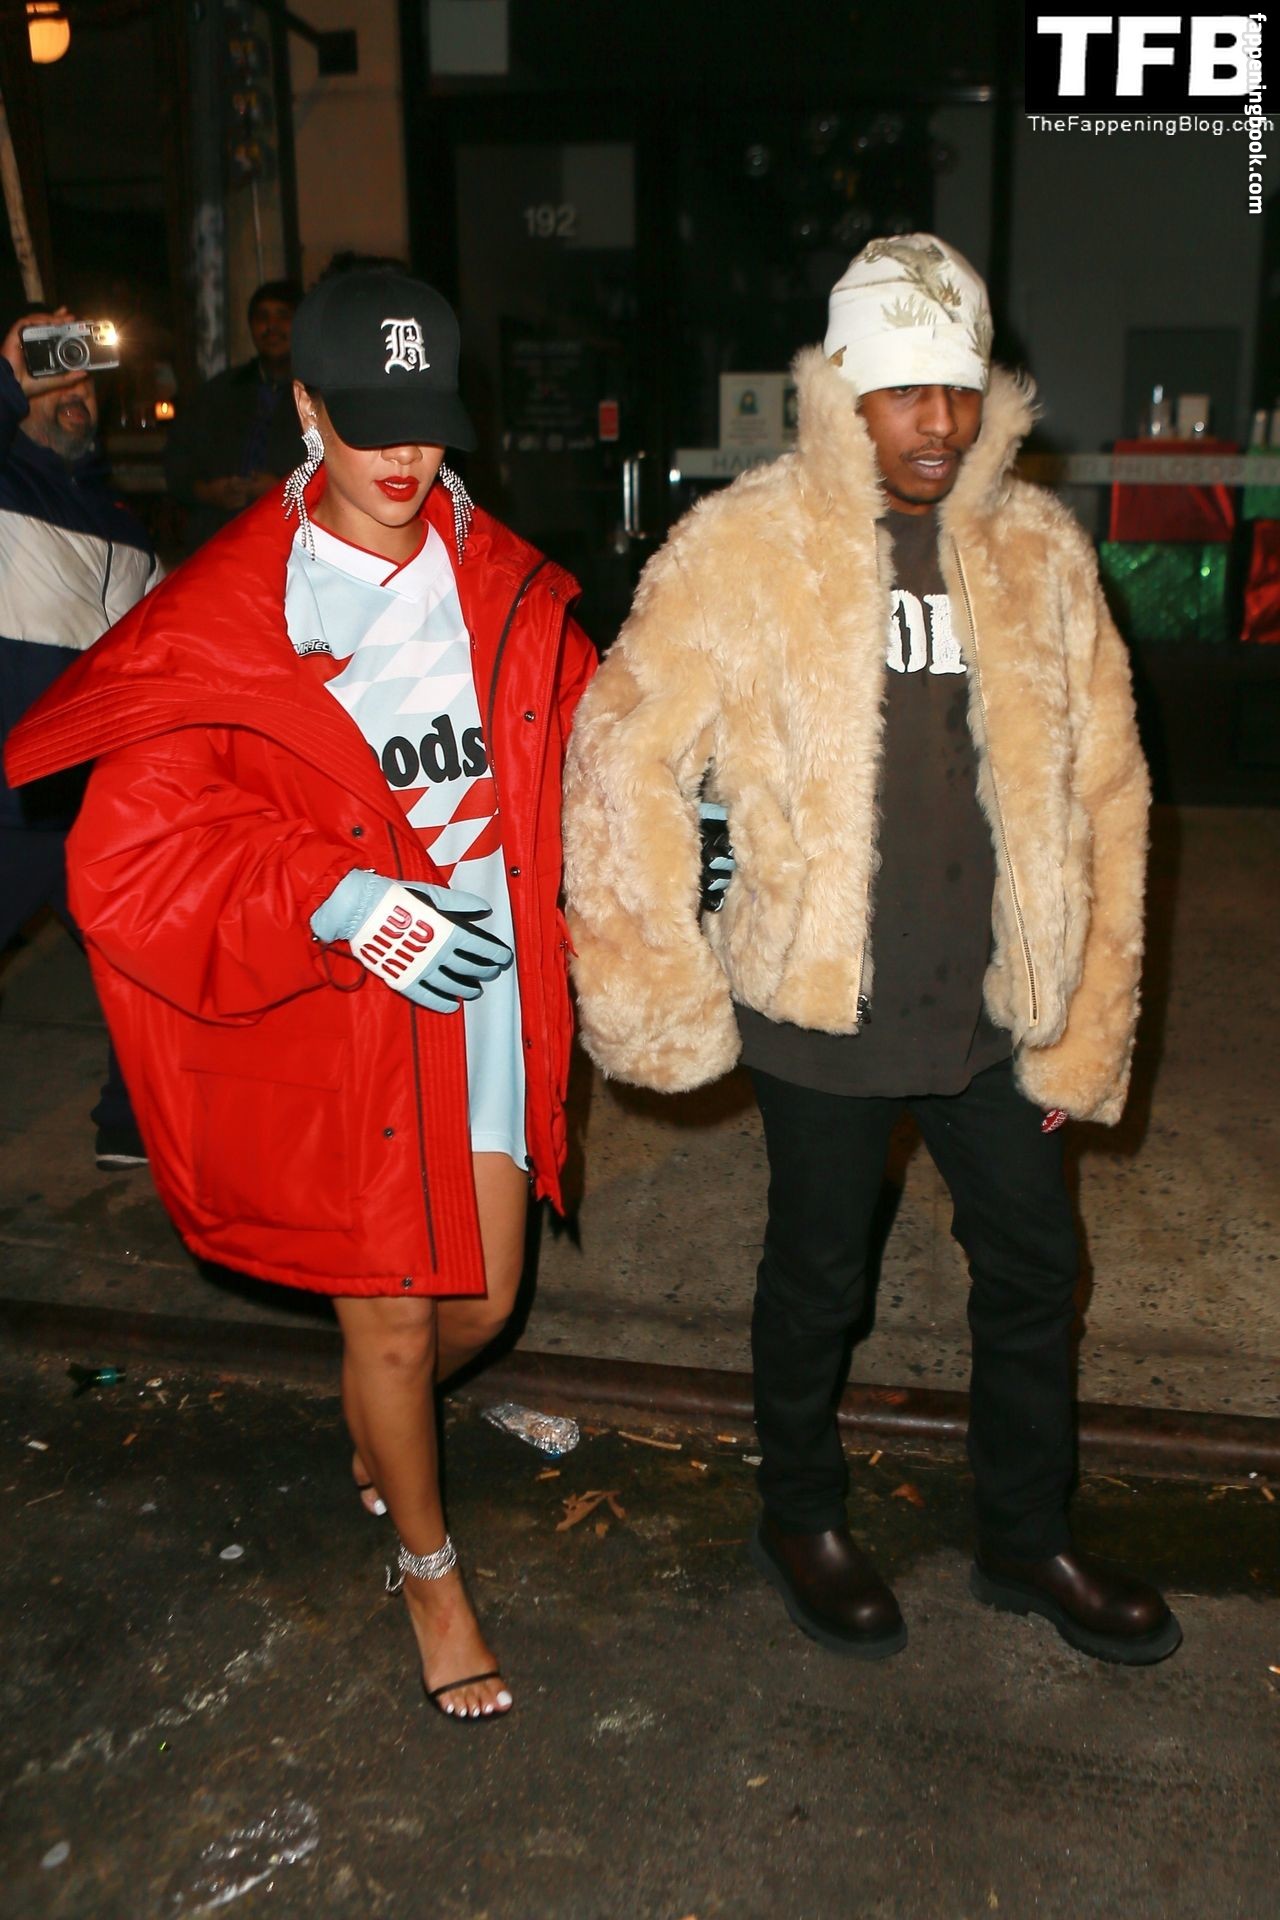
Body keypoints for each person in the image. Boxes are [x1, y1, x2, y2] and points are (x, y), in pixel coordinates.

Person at [563, 235, 1181, 1668]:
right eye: (904, 389)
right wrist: (661, 983)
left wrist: (1089, 997)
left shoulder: (1036, 549)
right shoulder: (745, 543)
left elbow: (1108, 782)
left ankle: (1025, 1534)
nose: (937, 421)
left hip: (997, 1006)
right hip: (821, 1007)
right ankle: (800, 1515)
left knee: (1033, 1272)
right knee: (818, 1275)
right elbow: (621, 750)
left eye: (957, 387)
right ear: (842, 387)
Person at [6, 267, 597, 1720]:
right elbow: (133, 850)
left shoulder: (505, 584)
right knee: (388, 1325)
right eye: (369, 421)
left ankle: (379, 1435)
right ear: (306, 406)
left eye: (428, 421)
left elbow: (589, 758)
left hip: (487, 991)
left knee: (481, 1308)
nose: (404, 455)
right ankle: (430, 1569)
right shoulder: (227, 608)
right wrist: (335, 899)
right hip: (342, 1009)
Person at [0, 301, 159, 1169]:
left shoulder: (122, 521)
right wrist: (6, 376)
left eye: (83, 379)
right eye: (48, 372)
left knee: (145, 955)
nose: (74, 392)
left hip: (94, 799)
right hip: (8, 794)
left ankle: (132, 1127)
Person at [163, 278, 304, 552]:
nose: (272, 327)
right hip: (219, 534)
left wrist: (281, 490)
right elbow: (177, 459)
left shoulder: (318, 396)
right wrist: (207, 492)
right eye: (262, 318)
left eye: (283, 317)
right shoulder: (219, 391)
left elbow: (336, 478)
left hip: (293, 540)